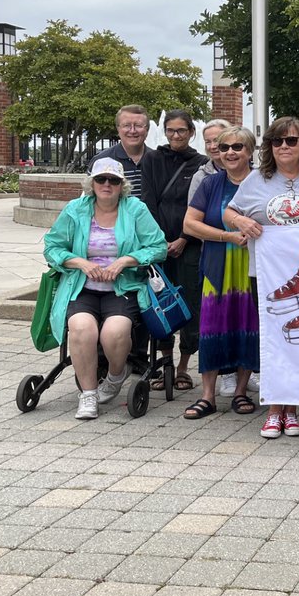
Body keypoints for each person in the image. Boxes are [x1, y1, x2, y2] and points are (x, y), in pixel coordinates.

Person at [225, 116, 299, 439]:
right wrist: (241, 223)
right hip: (266, 276)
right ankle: (275, 410)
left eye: (290, 140)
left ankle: (291, 409)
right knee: (274, 341)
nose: (283, 147)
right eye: (276, 141)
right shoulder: (256, 180)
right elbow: (229, 211)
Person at [43, 158, 167, 420]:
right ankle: (88, 395)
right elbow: (52, 247)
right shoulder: (76, 209)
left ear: (122, 185)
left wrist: (125, 261)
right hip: (82, 287)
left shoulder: (135, 209)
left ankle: (115, 375)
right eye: (101, 179)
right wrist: (79, 262)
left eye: (114, 180)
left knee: (115, 332)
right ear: (92, 183)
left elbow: (158, 247)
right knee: (80, 328)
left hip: (121, 288)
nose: (107, 184)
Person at [181, 127, 261, 419]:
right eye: (224, 146)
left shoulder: (262, 182)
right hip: (217, 264)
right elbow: (190, 224)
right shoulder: (211, 184)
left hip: (253, 267)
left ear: (250, 151)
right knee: (212, 327)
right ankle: (207, 396)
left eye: (238, 147)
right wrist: (225, 236)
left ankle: (240, 393)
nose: (230, 152)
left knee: (248, 326)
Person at [141, 110, 207, 392]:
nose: (176, 135)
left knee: (191, 304)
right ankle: (165, 363)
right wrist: (159, 242)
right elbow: (148, 201)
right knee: (160, 302)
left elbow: (200, 207)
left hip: (189, 245)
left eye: (181, 130)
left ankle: (183, 368)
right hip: (159, 247)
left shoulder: (200, 163)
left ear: (191, 132)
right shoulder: (153, 159)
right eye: (170, 130)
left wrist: (183, 238)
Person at [95, 105, 152, 197]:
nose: (132, 131)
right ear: (118, 129)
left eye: (138, 125)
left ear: (147, 129)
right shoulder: (101, 160)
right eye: (126, 125)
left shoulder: (158, 161)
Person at [188, 118, 232, 203]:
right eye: (207, 142)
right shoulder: (200, 177)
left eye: (217, 140)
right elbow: (192, 213)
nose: (212, 146)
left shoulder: (249, 172)